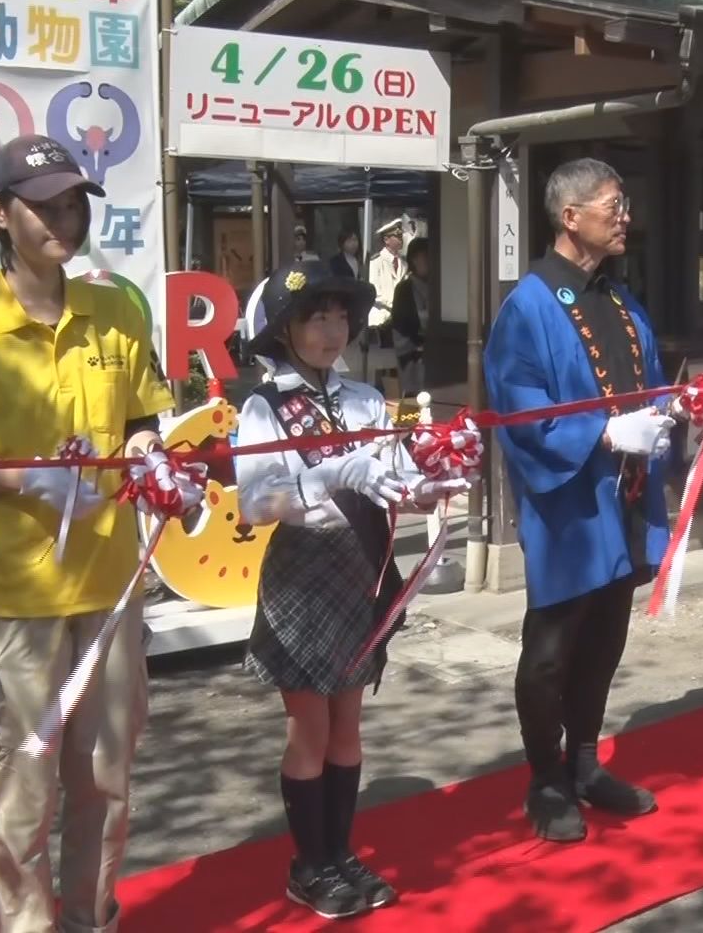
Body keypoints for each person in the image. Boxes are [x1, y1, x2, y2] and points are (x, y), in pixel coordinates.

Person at [0, 135, 183, 933]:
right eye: (45, 206)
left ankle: (91, 918)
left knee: (106, 778)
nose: (64, 220)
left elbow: (143, 420)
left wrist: (145, 455)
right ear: (0, 214)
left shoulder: (116, 310)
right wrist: (32, 476)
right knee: (22, 786)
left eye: (74, 205)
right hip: (12, 596)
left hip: (109, 585)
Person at [233, 261, 464, 918]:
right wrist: (330, 478)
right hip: (303, 569)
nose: (331, 330)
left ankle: (339, 852)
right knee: (309, 726)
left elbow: (388, 479)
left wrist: (429, 488)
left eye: (340, 317)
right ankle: (308, 865)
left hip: (361, 562)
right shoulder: (265, 406)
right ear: (285, 329)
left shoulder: (365, 400)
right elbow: (255, 502)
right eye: (315, 318)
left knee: (350, 726)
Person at [485, 158, 676, 843]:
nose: (624, 216)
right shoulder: (528, 306)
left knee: (604, 643)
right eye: (611, 204)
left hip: (623, 498)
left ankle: (587, 763)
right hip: (569, 505)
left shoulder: (621, 301)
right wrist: (602, 430)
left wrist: (666, 420)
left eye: (623, 203)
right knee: (550, 651)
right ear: (571, 218)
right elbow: (520, 414)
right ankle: (545, 778)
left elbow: (651, 383)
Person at [391, 237, 435, 398]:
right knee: (415, 402)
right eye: (421, 257)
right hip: (412, 355)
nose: (425, 261)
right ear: (413, 260)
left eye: (428, 257)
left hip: (436, 353)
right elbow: (400, 324)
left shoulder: (439, 285)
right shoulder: (404, 289)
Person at [366, 221, 407, 333]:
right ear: (386, 240)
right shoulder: (376, 262)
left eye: (401, 235)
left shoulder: (404, 263)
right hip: (381, 316)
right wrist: (394, 305)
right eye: (397, 236)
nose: (401, 239)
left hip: (400, 318)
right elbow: (375, 291)